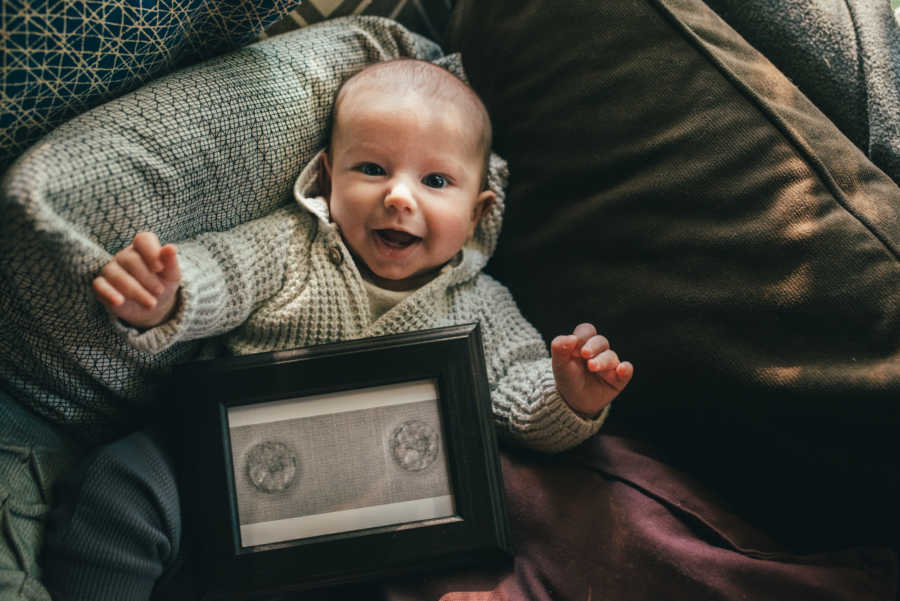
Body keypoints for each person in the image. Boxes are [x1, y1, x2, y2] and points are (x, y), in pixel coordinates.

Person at [43, 58, 633, 600]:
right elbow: (224, 271)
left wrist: (568, 398)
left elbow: (518, 397)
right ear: (328, 178)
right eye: (372, 169)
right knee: (120, 487)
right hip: (216, 461)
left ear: (478, 212)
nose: (399, 197)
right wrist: (171, 294)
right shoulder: (295, 248)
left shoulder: (479, 304)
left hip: (349, 518)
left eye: (435, 182)